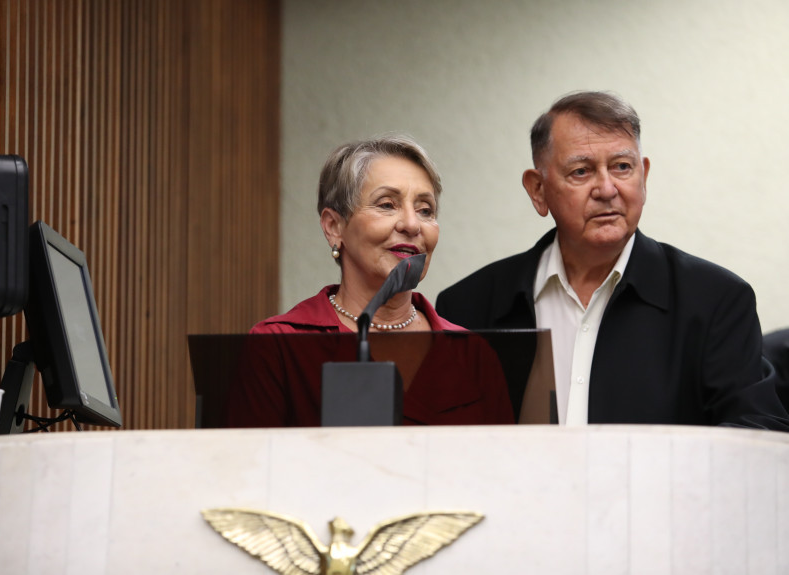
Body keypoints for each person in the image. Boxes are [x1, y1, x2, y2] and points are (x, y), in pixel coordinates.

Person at [436, 91, 789, 430]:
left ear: (644, 177)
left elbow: (756, 429)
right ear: (538, 190)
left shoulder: (715, 300)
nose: (607, 189)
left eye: (622, 167)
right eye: (581, 172)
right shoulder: (469, 306)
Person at [227, 135, 515, 427]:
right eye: (387, 204)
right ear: (334, 226)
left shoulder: (471, 352)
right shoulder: (279, 345)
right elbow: (252, 468)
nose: (412, 225)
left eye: (425, 210)